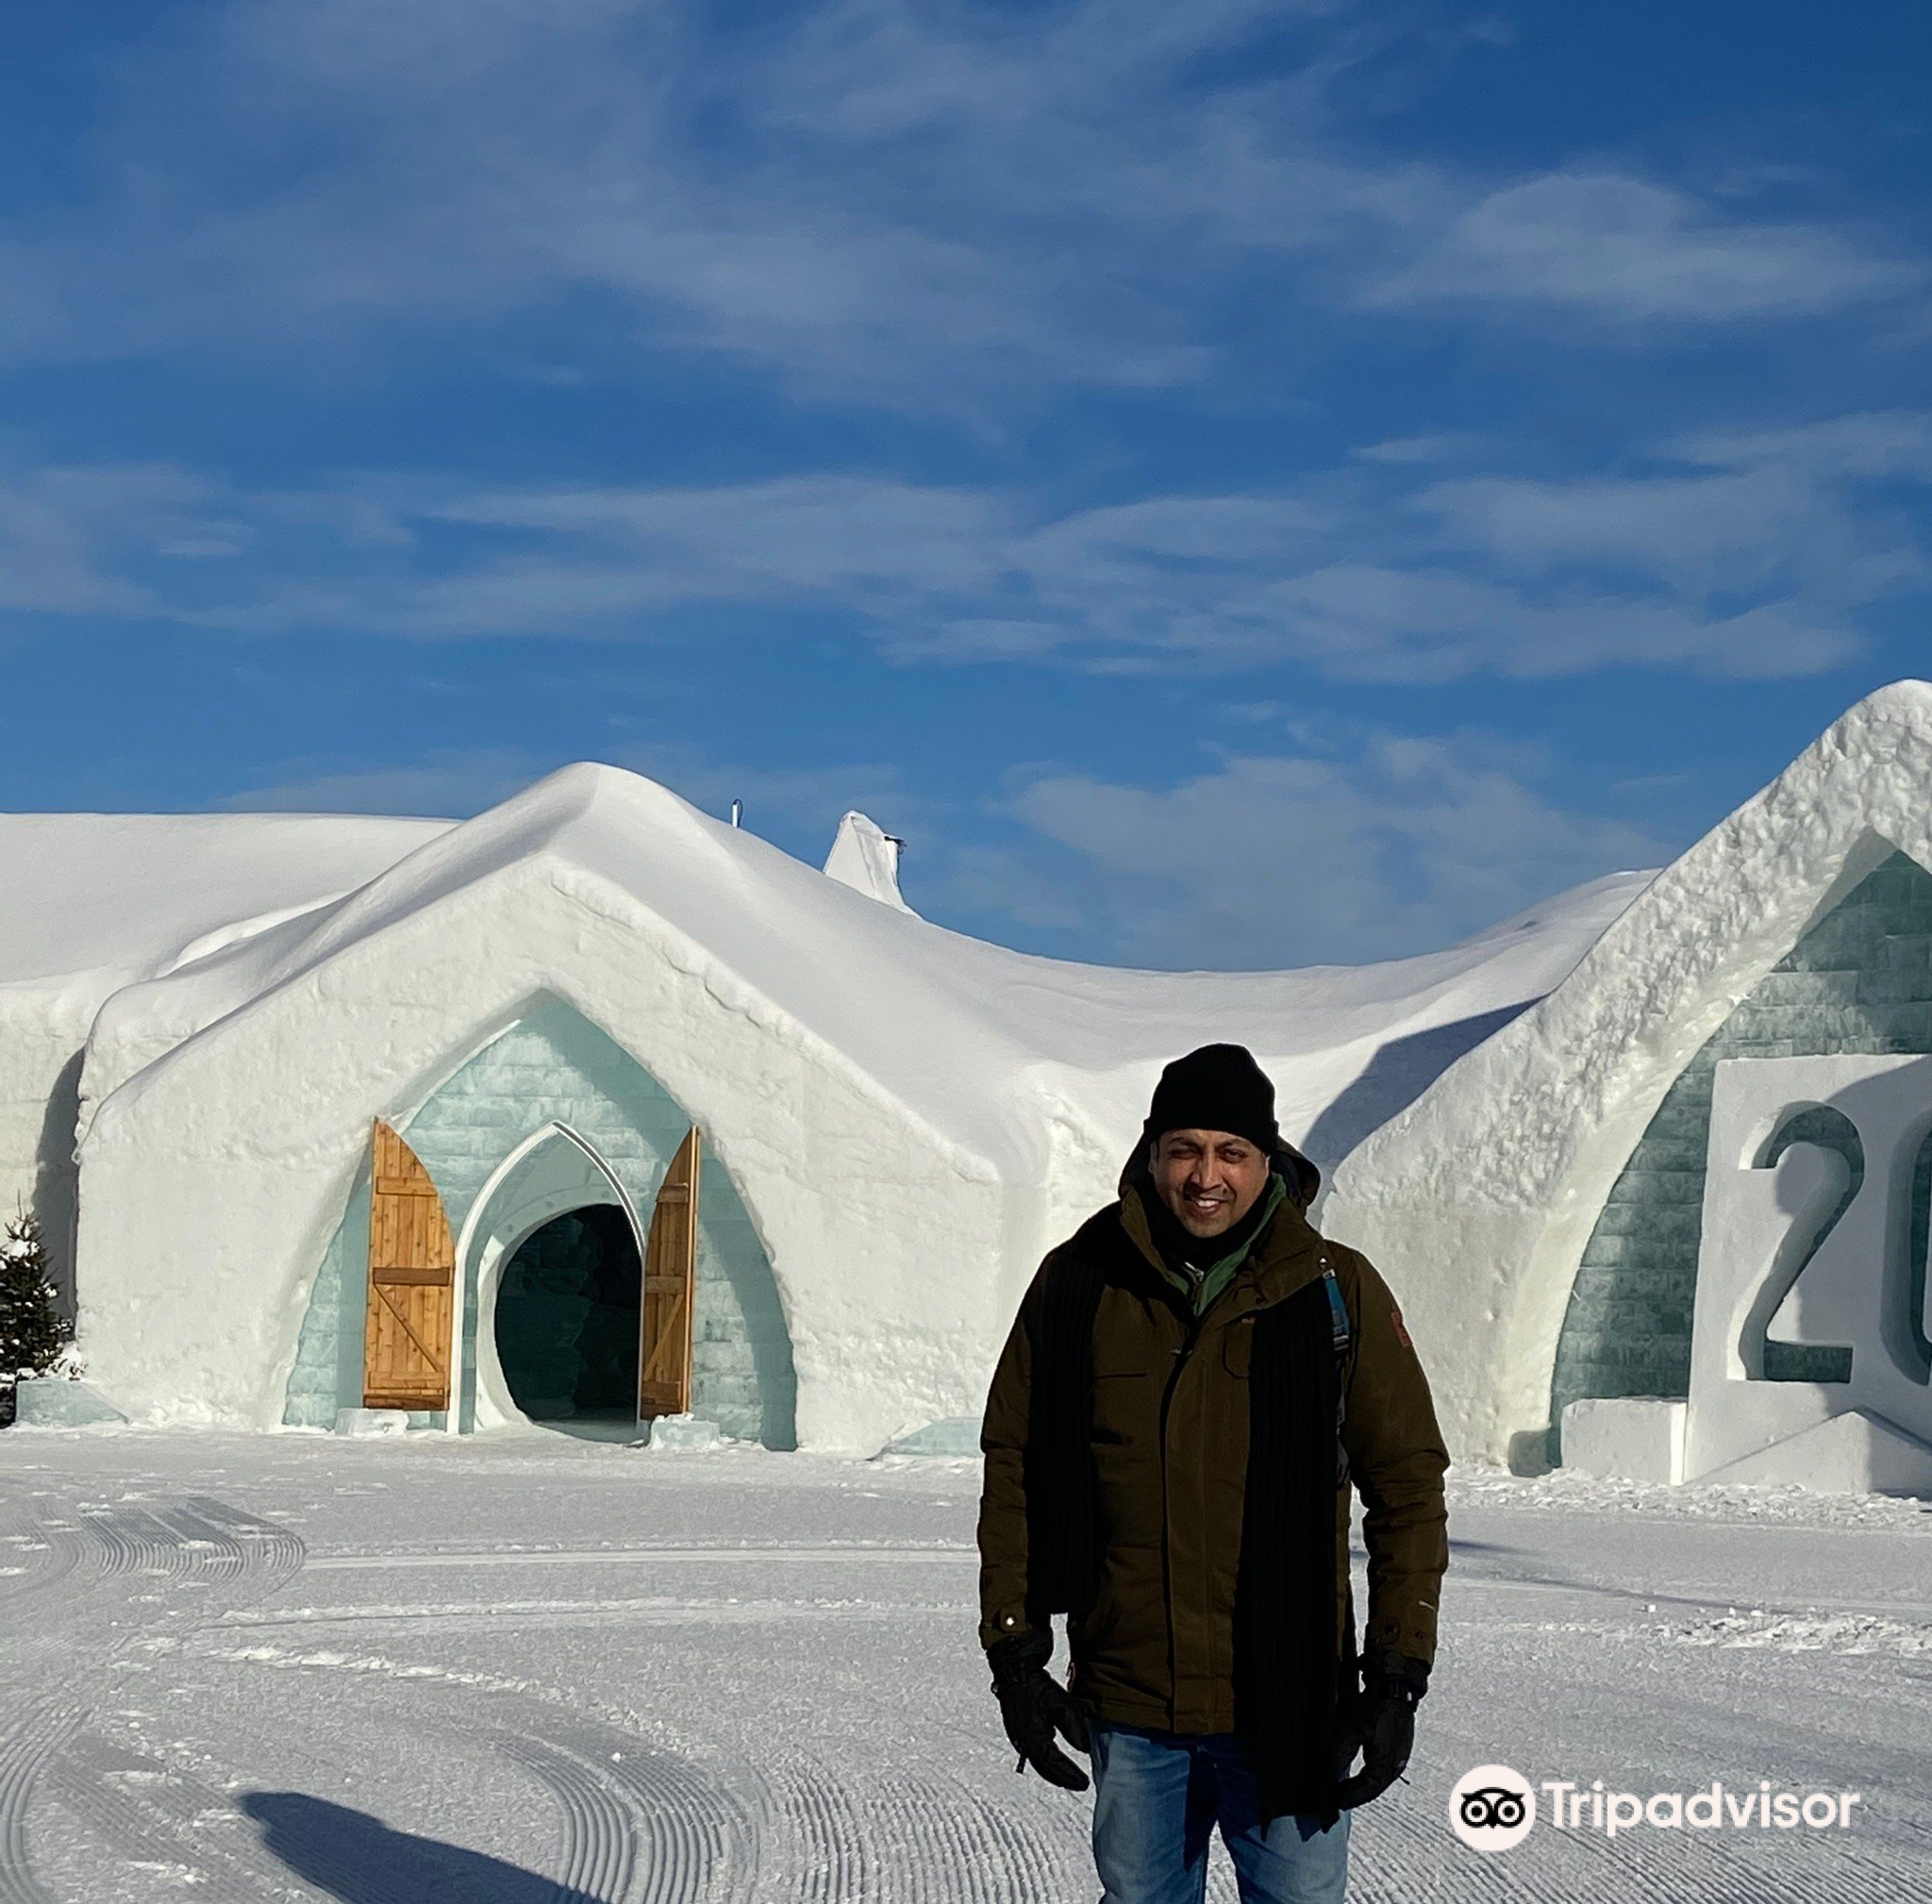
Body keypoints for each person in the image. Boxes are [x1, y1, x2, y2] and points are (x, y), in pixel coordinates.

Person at [976, 1044, 1448, 1904]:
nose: (1206, 1176)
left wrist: (1395, 1676)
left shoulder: (1335, 1289)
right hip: (1131, 1701)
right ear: (1151, 1155)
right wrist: (1014, 1650)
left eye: (1231, 1151)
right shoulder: (1078, 1285)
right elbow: (1014, 1467)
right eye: (1185, 1148)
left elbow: (1408, 1488)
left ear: (1269, 1162)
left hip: (1288, 1699)